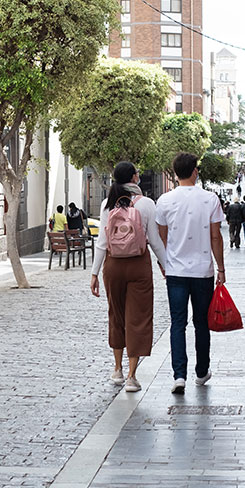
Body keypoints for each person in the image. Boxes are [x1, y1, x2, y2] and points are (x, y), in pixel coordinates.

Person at [90, 161, 166, 393]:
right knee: (138, 318)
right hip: (138, 265)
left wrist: (94, 273)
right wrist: (166, 266)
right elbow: (154, 241)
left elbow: (102, 243)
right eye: (138, 173)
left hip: (112, 266)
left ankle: (117, 370)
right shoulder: (146, 204)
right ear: (134, 178)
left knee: (117, 315)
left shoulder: (107, 203)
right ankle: (132, 376)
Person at [155, 152, 225, 394]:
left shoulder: (164, 200)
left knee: (177, 322)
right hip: (202, 270)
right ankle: (201, 371)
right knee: (201, 322)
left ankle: (179, 375)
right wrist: (221, 268)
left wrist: (166, 262)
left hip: (175, 271)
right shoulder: (210, 199)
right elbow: (216, 236)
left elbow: (162, 236)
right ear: (195, 171)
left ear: (175, 174)